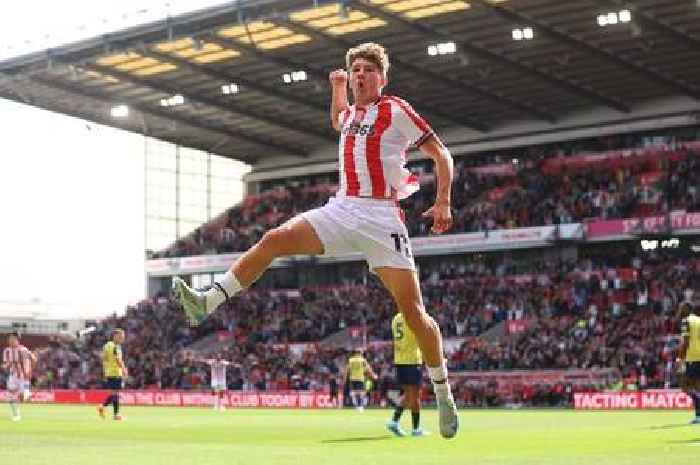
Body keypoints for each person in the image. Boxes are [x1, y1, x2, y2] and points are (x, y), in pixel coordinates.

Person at [174, 42, 459, 438]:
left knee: (413, 313)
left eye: (367, 70)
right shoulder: (351, 115)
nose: (360, 75)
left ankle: (443, 393)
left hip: (381, 217)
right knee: (273, 239)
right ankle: (207, 301)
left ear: (382, 77)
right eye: (355, 69)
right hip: (342, 209)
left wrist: (443, 200)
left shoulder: (395, 109)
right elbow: (338, 118)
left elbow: (441, 154)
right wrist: (337, 87)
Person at [386, 312, 427, 437]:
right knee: (415, 396)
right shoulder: (414, 317)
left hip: (400, 361)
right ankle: (415, 429)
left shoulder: (396, 318)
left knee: (409, 395)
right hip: (412, 360)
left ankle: (394, 421)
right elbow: (422, 338)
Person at [2, 332, 36, 421]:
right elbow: (8, 363)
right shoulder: (7, 351)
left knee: (23, 397)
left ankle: (26, 393)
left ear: (17, 340)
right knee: (10, 396)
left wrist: (30, 370)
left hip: (24, 377)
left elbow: (34, 359)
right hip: (13, 376)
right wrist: (5, 366)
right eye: (9, 339)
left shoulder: (23, 350)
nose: (10, 340)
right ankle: (16, 415)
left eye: (12, 339)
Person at [677, 302, 700, 424]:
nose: (679, 310)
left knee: (687, 386)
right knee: (696, 387)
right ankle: (698, 415)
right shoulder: (699, 320)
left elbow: (685, 342)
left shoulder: (686, 321)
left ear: (686, 309)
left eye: (681, 308)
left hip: (693, 357)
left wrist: (680, 358)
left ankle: (698, 415)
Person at [98, 328, 127, 421]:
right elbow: (118, 359)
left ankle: (114, 413)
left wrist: (105, 370)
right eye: (120, 337)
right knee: (115, 394)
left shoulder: (106, 346)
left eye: (123, 337)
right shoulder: (114, 346)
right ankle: (104, 407)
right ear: (115, 336)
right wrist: (124, 369)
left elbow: (103, 358)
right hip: (115, 372)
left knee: (114, 394)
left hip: (109, 372)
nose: (122, 339)